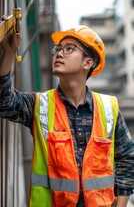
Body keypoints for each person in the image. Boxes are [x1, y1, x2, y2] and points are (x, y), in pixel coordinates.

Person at [0, 23, 134, 207]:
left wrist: (121, 204)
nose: (59, 53)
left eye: (69, 49)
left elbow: (127, 157)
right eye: (58, 49)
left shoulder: (108, 108)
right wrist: (8, 53)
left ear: (88, 62)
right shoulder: (40, 105)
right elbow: (3, 101)